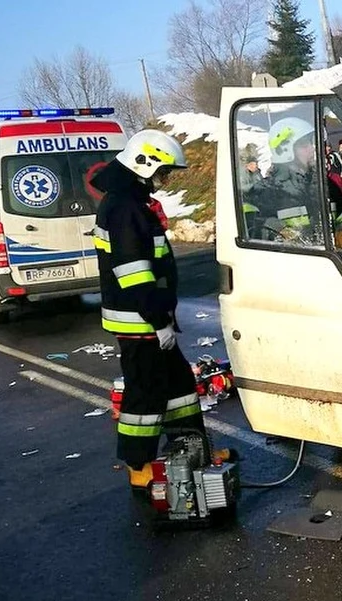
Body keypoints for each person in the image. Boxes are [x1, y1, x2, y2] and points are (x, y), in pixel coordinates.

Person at [90, 129, 205, 488]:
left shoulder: (130, 202)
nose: (166, 179)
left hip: (148, 319)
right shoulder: (124, 208)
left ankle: (190, 448)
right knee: (145, 394)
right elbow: (135, 274)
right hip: (139, 322)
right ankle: (138, 466)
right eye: (164, 171)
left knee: (180, 386)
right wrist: (158, 321)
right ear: (145, 163)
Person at [244, 116, 342, 243]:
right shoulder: (265, 192)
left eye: (311, 143)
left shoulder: (324, 184)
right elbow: (251, 227)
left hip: (329, 260)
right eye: (304, 145)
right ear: (285, 150)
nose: (312, 148)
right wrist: (278, 230)